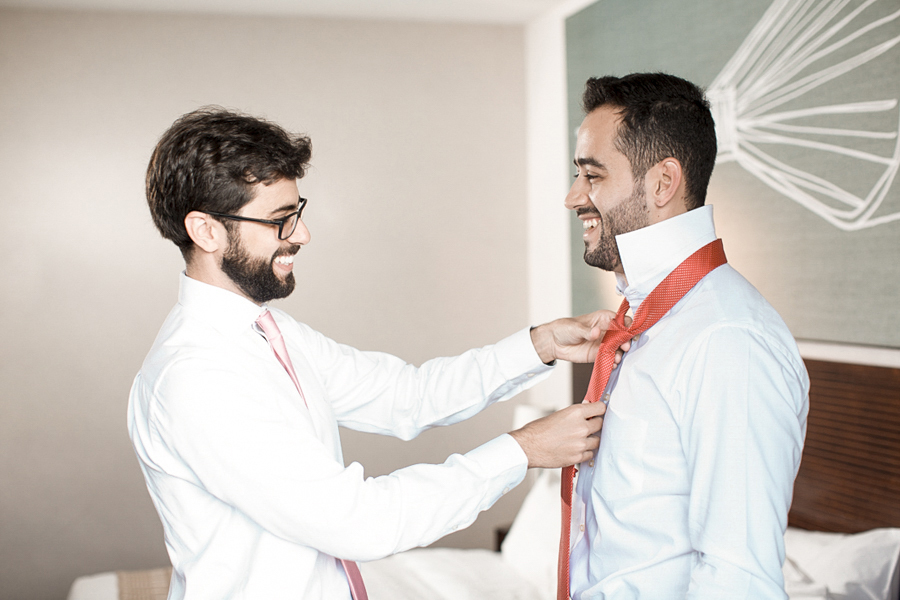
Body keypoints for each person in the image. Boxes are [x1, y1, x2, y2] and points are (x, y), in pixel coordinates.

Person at [128, 107, 619, 600]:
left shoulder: (271, 333)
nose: (302, 234)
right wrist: (522, 451)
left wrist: (539, 346)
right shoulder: (196, 377)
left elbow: (407, 396)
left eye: (297, 213)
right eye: (280, 221)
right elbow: (357, 522)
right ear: (206, 231)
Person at [562, 73, 809, 599]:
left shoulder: (729, 341)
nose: (572, 197)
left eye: (592, 175)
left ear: (662, 183)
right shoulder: (643, 319)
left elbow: (740, 581)